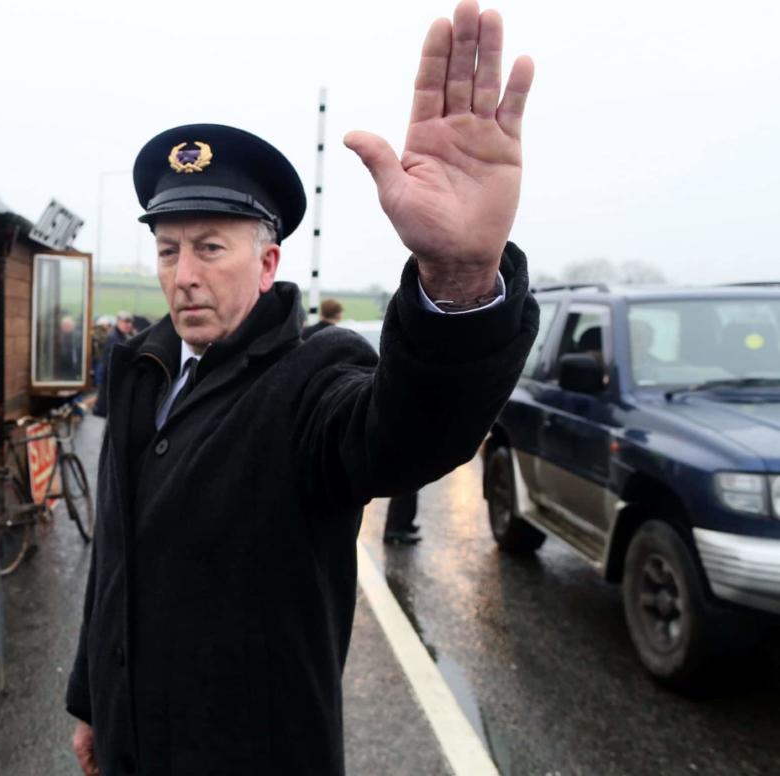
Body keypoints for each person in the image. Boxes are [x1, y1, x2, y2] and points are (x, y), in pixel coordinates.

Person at [68, 3, 538, 774]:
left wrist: (457, 278)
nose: (182, 275)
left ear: (267, 263)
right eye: (167, 250)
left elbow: (408, 433)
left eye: (211, 247)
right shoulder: (140, 366)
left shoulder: (312, 377)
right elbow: (113, 558)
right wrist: (89, 700)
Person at [92, 311, 135, 417]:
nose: (128, 325)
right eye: (125, 322)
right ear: (119, 322)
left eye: (130, 322)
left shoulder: (122, 336)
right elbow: (109, 360)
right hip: (111, 373)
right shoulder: (114, 337)